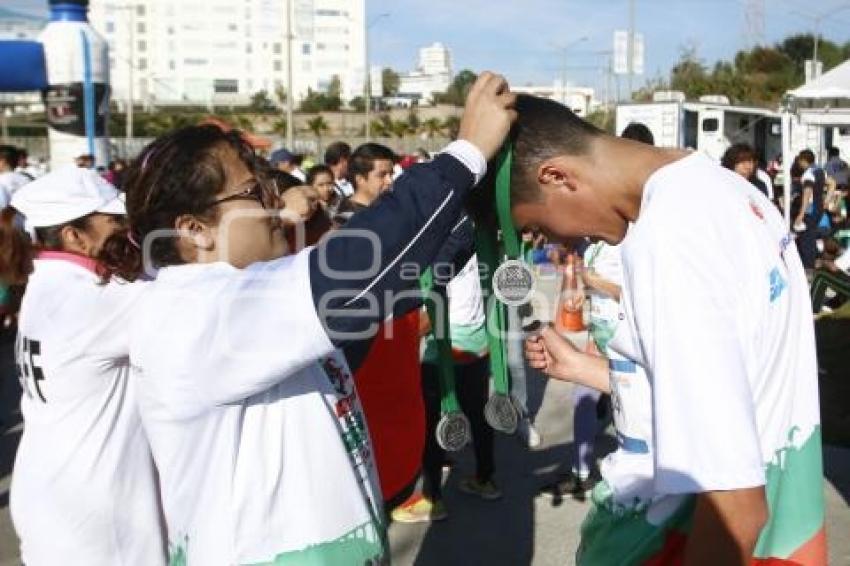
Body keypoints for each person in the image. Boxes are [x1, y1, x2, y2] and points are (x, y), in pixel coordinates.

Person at [98, 72, 515, 565]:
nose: (277, 205)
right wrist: (465, 154)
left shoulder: (245, 298)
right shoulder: (196, 312)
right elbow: (360, 268)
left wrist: (472, 212)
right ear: (195, 230)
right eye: (254, 193)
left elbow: (397, 286)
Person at [507, 95, 824, 565]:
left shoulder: (669, 237)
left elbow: (735, 508)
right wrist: (584, 366)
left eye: (537, 226)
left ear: (556, 176)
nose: (556, 242)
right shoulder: (724, 189)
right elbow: (732, 386)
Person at [4, 166, 166, 565]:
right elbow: (197, 297)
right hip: (96, 518)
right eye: (114, 221)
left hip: (54, 499)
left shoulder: (48, 283)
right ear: (74, 235)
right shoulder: (92, 300)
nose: (127, 229)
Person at [393, 241, 501, 523]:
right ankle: (485, 479)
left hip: (445, 351)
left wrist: (400, 337)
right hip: (478, 345)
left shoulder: (443, 253)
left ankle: (432, 500)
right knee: (478, 414)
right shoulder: (481, 244)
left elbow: (433, 316)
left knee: (430, 422)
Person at [334, 143, 396, 224]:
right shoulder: (345, 221)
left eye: (391, 174)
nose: (390, 181)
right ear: (360, 179)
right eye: (382, 175)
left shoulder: (389, 210)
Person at [795, 149, 827, 269]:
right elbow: (832, 183)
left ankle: (808, 266)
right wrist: (827, 200)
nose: (798, 163)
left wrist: (801, 214)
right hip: (819, 207)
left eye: (799, 160)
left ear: (803, 160)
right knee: (812, 235)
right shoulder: (820, 170)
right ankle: (815, 260)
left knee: (806, 238)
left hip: (810, 209)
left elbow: (807, 193)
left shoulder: (808, 173)